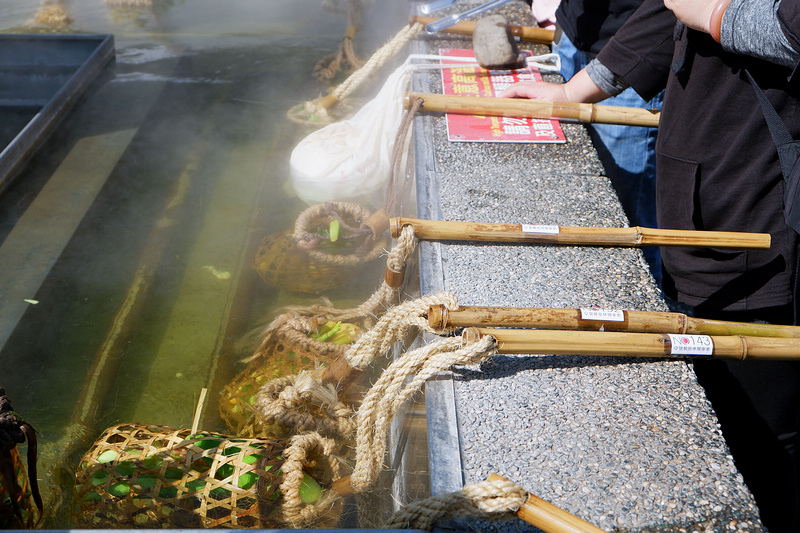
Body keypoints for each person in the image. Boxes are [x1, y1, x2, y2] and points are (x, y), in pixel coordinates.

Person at [502, 0, 800, 531]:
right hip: (705, 206)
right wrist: (576, 90)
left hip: (759, 215)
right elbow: (666, 14)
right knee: (719, 401)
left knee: (768, 431)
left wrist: (715, 14)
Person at [522, 0, 665, 285]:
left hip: (637, 57)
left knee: (629, 211)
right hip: (574, 32)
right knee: (572, 188)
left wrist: (572, 91)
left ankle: (644, 295)